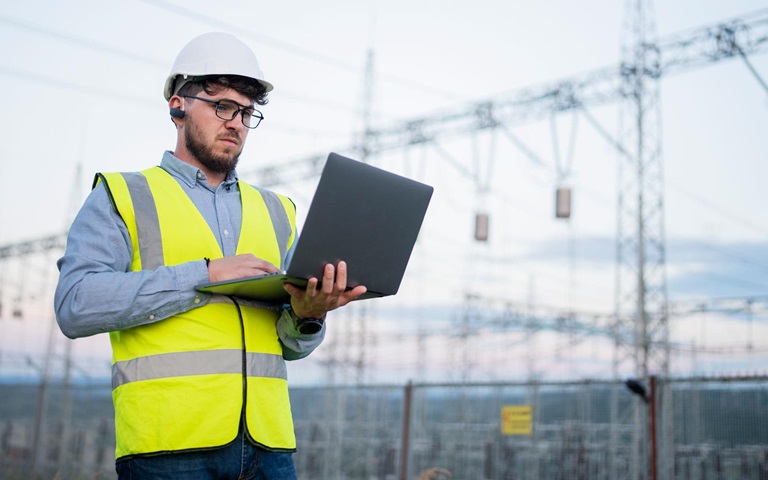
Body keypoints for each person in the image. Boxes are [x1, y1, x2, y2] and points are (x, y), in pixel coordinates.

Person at [54, 31, 367, 480]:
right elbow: (75, 305)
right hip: (169, 448)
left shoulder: (278, 212)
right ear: (177, 105)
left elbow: (292, 348)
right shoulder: (123, 195)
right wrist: (204, 274)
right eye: (222, 105)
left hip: (269, 447)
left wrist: (308, 316)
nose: (236, 122)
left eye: (246, 112)